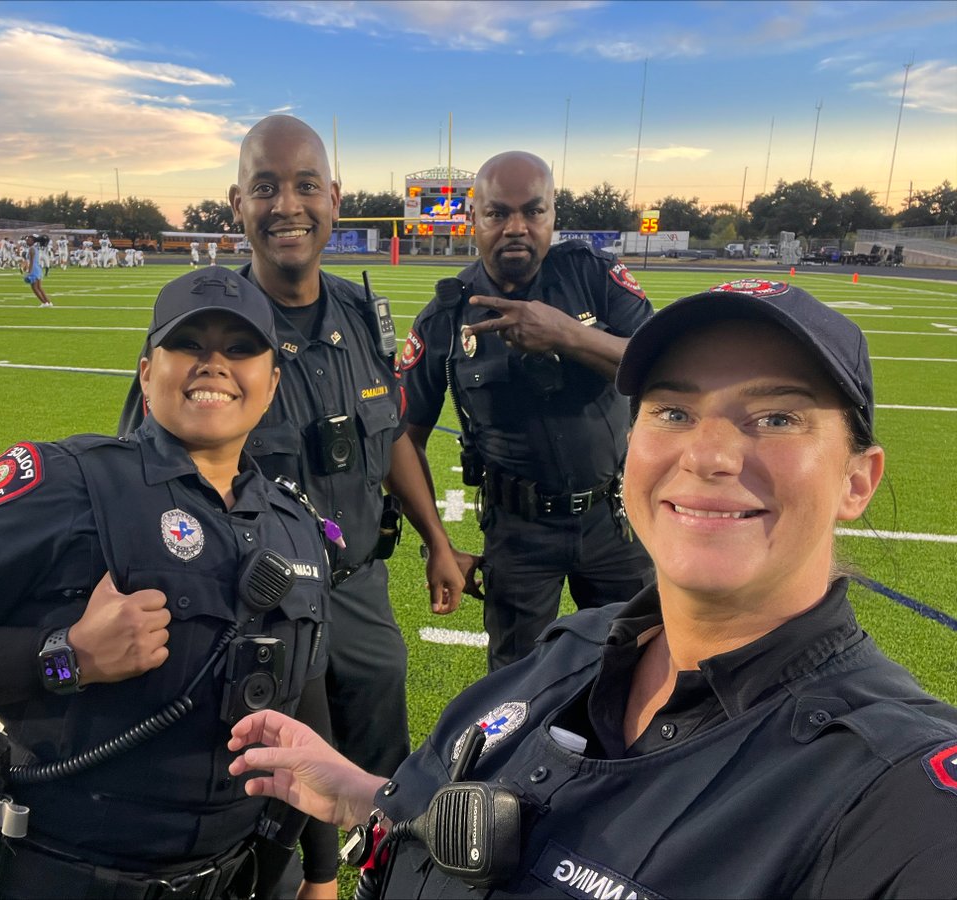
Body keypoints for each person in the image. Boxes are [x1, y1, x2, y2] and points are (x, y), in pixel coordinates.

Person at [229, 279, 957, 899]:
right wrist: (360, 794)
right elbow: (496, 832)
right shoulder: (573, 650)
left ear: (857, 481)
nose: (707, 454)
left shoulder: (892, 788)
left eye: (775, 418)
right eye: (673, 411)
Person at [0, 267, 332, 899]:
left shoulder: (296, 526)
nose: (214, 364)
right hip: (57, 873)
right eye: (189, 344)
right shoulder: (62, 482)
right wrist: (68, 658)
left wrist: (322, 873)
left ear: (271, 384)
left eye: (241, 349)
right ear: (145, 372)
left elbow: (307, 705)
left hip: (239, 877)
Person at [118, 115, 465, 895]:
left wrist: (437, 540)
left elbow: (392, 437)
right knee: (269, 805)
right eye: (266, 187)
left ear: (335, 200)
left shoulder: (359, 315)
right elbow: (143, 483)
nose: (288, 205)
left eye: (305, 185)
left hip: (360, 593)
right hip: (256, 611)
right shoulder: (208, 330)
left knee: (382, 787)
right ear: (236, 203)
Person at [400, 150, 655, 672]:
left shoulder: (594, 277)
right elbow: (402, 437)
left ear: (553, 216)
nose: (516, 227)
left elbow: (664, 368)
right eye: (498, 213)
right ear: (474, 219)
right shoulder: (447, 315)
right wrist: (437, 544)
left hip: (615, 522)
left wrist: (569, 335)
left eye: (532, 212)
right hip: (518, 531)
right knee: (516, 688)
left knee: (642, 664)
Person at [24, 233, 54, 307]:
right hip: (38, 268)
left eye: (29, 240)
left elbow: (31, 261)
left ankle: (44, 303)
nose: (27, 241)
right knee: (39, 287)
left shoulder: (31, 249)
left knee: (34, 288)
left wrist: (29, 272)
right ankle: (48, 302)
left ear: (33, 241)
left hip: (34, 269)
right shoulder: (35, 248)